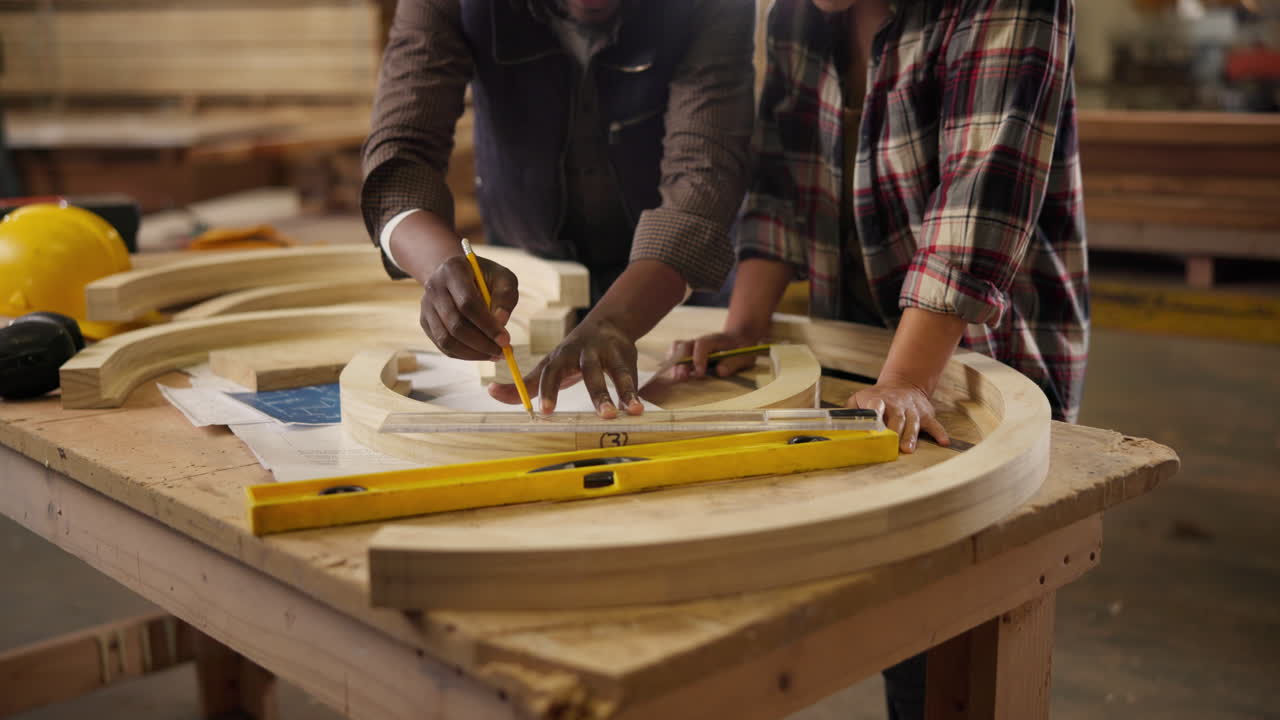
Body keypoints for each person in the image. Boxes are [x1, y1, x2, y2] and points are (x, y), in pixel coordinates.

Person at [671, 0, 1088, 716]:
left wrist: (904, 380)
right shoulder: (804, 14)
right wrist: (746, 323)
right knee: (894, 593)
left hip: (985, 346)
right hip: (859, 336)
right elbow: (782, 174)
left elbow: (977, 203)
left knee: (955, 622)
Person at [360, 0, 754, 418]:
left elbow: (706, 172)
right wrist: (442, 268)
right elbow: (403, 153)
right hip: (528, 277)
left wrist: (618, 320)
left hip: (670, 284)